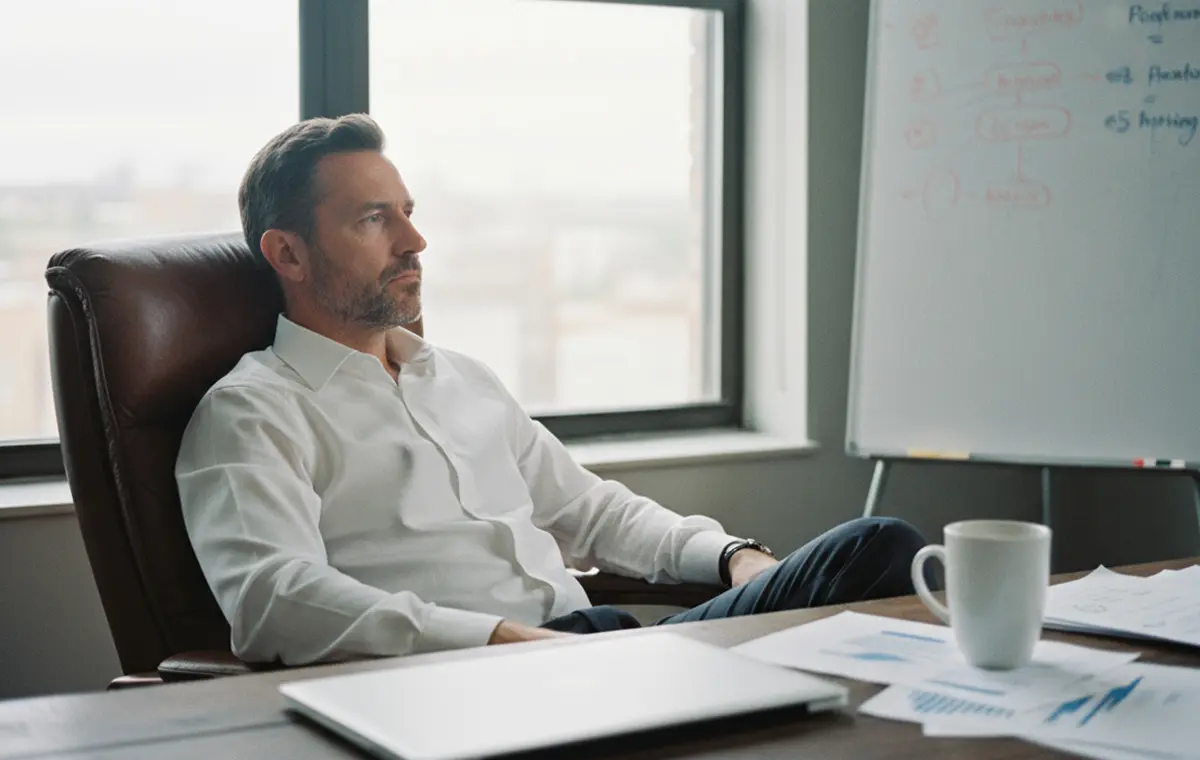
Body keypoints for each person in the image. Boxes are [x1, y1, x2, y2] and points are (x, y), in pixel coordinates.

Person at [175, 113, 928, 667]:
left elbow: (589, 510)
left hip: (600, 651)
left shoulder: (460, 378)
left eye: (408, 213)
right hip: (465, 681)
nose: (414, 242)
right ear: (288, 254)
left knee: (874, 547)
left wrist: (730, 555)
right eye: (375, 220)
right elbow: (276, 599)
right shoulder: (253, 410)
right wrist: (500, 639)